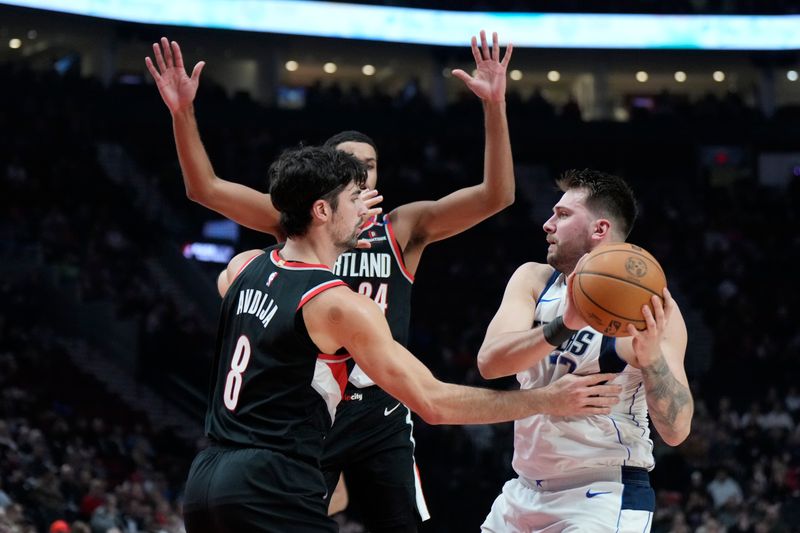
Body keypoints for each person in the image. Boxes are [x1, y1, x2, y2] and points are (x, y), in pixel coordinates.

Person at [145, 31, 518, 530]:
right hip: (311, 410)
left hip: (383, 407)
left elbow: (497, 195)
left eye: (369, 166)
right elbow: (205, 188)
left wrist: (495, 105)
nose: (361, 176)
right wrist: (181, 114)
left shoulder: (403, 228)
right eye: (349, 168)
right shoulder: (296, 226)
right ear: (325, 189)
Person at [177, 145, 623, 532]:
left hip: (206, 480)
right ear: (321, 211)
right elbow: (434, 403)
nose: (365, 210)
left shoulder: (244, 268)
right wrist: (546, 400)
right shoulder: (338, 304)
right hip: (271, 483)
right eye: (355, 199)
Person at [477, 169, 694, 532]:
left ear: (600, 230)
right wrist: (565, 324)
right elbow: (489, 363)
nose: (547, 224)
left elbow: (677, 430)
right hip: (522, 492)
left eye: (562, 215)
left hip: (601, 494)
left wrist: (652, 359)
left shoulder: (647, 310)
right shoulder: (534, 280)